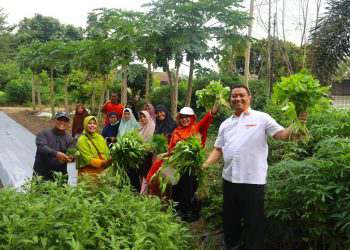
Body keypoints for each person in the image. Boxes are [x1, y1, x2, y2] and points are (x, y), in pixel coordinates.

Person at [203, 85, 307, 250]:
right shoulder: (225, 124)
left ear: (249, 97)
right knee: (230, 220)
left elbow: (282, 135)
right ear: (229, 100)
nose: (237, 98)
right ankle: (231, 245)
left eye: (241, 95)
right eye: (234, 96)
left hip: (252, 181)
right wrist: (206, 164)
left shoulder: (261, 118)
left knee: (254, 222)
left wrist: (299, 123)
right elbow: (218, 149)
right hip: (229, 179)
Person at [146, 104, 218, 221]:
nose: (185, 119)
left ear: (192, 118)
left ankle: (190, 213)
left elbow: (206, 121)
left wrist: (212, 112)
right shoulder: (176, 131)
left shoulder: (195, 128)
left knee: (189, 188)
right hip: (176, 165)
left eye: (187, 117)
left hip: (190, 166)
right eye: (182, 117)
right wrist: (167, 154)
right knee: (174, 186)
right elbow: (171, 148)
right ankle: (177, 210)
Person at [33, 112, 75, 181]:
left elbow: (72, 153)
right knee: (39, 191)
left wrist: (71, 158)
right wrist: (56, 154)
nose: (62, 122)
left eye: (65, 121)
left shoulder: (70, 139)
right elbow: (41, 147)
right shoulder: (44, 133)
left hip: (59, 175)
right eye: (59, 120)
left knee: (59, 191)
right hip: (41, 173)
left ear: (68, 123)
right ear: (54, 120)